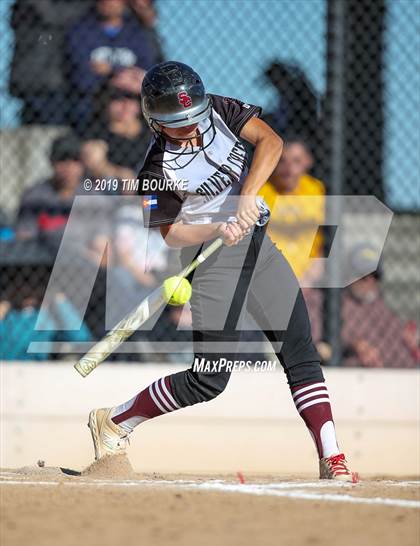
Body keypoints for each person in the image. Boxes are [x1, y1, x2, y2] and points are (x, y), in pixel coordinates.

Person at [87, 61, 355, 481]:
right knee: (209, 379)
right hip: (210, 259)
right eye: (177, 124)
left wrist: (246, 197)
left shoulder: (221, 111)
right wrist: (217, 224)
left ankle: (332, 456)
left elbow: (271, 141)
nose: (190, 129)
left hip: (258, 246)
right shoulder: (156, 170)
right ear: (154, 122)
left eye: (193, 117)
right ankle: (116, 420)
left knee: (300, 349)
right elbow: (170, 233)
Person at [65, 0, 159, 129]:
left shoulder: (137, 34)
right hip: (91, 107)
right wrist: (125, 75)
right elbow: (82, 76)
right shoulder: (81, 31)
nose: (108, 2)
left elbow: (145, 74)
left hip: (133, 109)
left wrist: (111, 70)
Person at [259, 137, 326, 286]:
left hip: (309, 277)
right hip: (269, 276)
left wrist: (310, 276)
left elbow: (322, 239)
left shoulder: (315, 190)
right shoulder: (262, 190)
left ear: (308, 161)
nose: (289, 169)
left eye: (296, 161)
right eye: (282, 161)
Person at [16, 135, 84, 251]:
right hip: (40, 262)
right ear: (52, 162)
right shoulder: (35, 196)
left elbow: (100, 241)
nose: (68, 168)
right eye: (62, 161)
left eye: (74, 161)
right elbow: (24, 236)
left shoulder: (92, 195)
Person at [81, 80, 150, 180]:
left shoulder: (151, 128)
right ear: (106, 104)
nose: (125, 105)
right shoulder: (98, 131)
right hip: (115, 184)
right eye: (118, 99)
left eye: (131, 99)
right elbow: (92, 159)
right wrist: (120, 174)